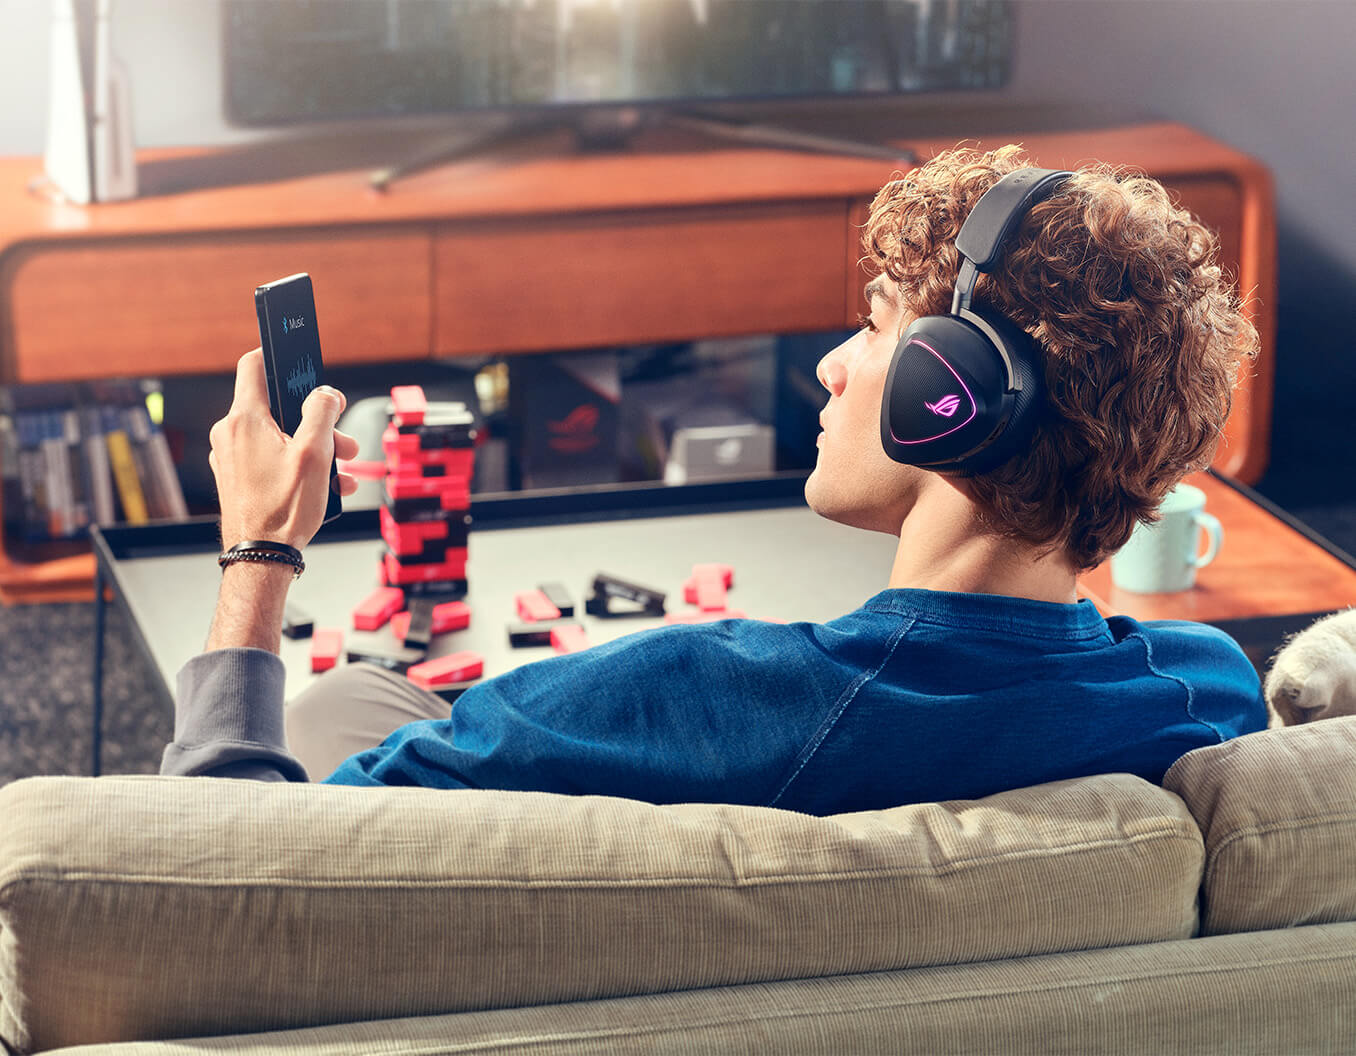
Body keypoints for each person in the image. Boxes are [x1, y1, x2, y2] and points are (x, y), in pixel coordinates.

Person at [163, 145, 1267, 811]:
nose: (832, 366)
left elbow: (215, 865)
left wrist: (260, 549)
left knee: (334, 704)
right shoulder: (1207, 695)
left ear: (953, 390)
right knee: (362, 697)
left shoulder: (692, 696)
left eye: (877, 328)